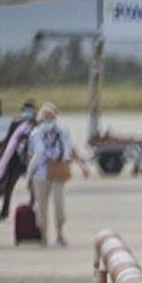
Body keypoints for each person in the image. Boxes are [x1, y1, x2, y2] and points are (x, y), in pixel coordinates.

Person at [26, 102, 88, 247]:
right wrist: (29, 175)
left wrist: (82, 166)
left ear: (56, 117)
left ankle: (60, 233)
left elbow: (72, 148)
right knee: (41, 206)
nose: (48, 120)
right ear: (41, 118)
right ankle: (43, 235)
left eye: (51, 116)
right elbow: (30, 155)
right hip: (40, 174)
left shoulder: (63, 131)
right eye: (45, 117)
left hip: (59, 171)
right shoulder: (35, 134)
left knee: (59, 204)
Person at [0, 100, 37, 219]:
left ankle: (32, 208)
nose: (28, 113)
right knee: (9, 185)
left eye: (30, 110)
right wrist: (1, 156)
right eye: (26, 110)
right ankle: (5, 210)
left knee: (33, 185)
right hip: (16, 159)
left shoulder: (37, 124)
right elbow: (8, 140)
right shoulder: (15, 124)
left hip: (31, 159)